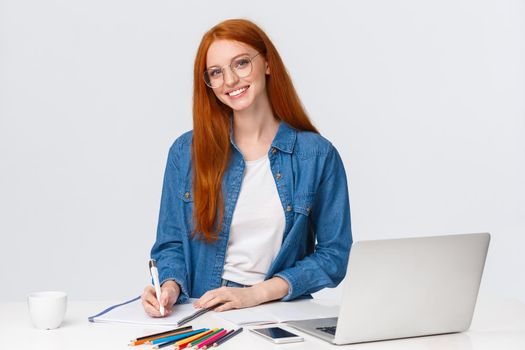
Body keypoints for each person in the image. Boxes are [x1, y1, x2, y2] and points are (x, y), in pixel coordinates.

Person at [141, 18, 352, 317]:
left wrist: (256, 294)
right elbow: (171, 244)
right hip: (207, 309)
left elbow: (335, 255)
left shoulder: (317, 155)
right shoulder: (185, 153)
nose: (229, 81)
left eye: (241, 64)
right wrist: (169, 287)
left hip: (282, 307)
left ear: (267, 63)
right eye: (216, 72)